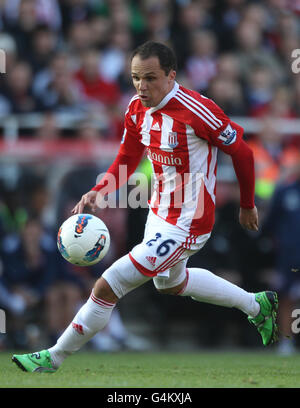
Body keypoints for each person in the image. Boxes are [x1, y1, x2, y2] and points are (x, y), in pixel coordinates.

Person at [12, 41, 278, 373]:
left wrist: (247, 205)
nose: (142, 85)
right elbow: (128, 156)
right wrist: (99, 190)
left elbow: (242, 152)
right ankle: (257, 305)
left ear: (171, 76)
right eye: (136, 77)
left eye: (150, 78)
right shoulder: (136, 109)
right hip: (158, 213)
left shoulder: (197, 110)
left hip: (189, 223)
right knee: (169, 283)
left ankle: (53, 357)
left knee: (107, 284)